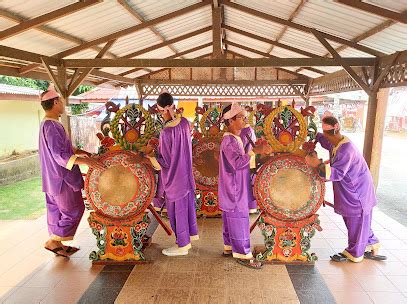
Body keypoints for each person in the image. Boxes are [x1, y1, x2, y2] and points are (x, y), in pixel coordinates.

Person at [305, 114, 386, 262]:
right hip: (353, 187)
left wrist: (316, 164)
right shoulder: (337, 142)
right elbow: (325, 141)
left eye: (325, 135)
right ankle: (371, 242)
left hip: (358, 190)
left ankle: (355, 253)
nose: (325, 138)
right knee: (360, 221)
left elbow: (337, 173)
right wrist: (313, 135)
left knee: (356, 220)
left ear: (332, 133)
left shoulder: (346, 150)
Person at [39, 86, 104, 258]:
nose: (62, 103)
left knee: (56, 211)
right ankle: (54, 241)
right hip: (62, 179)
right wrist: (88, 162)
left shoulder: (48, 123)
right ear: (54, 102)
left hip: (51, 178)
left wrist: (83, 153)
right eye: (60, 101)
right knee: (74, 209)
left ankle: (57, 243)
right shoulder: (52, 126)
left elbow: (65, 147)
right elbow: (60, 155)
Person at [219, 103, 272, 269]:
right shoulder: (229, 141)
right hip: (234, 187)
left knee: (230, 218)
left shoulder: (235, 138)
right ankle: (243, 253)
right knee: (239, 218)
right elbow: (237, 163)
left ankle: (229, 247)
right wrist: (255, 153)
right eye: (241, 117)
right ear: (231, 120)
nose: (244, 120)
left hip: (233, 185)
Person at [145, 92, 198, 256]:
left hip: (175, 179)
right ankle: (187, 239)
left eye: (160, 112)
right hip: (186, 175)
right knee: (186, 210)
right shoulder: (184, 123)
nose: (161, 115)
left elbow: (164, 163)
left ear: (165, 110)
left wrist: (150, 155)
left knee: (178, 214)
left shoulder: (166, 132)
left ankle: (182, 246)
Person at [240, 123, 258, 213]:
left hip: (245, 160)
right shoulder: (250, 129)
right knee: (249, 183)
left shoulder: (243, 131)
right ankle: (252, 206)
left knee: (245, 185)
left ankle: (247, 206)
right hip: (251, 159)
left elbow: (240, 148)